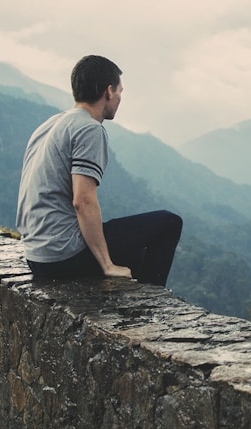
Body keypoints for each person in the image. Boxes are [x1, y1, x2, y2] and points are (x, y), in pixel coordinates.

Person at [16, 55, 182, 286]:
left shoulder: (51, 124)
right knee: (169, 223)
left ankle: (134, 296)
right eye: (120, 92)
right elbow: (83, 200)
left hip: (36, 254)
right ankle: (151, 303)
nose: (120, 98)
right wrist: (107, 265)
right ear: (108, 92)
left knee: (133, 249)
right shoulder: (89, 128)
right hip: (62, 255)